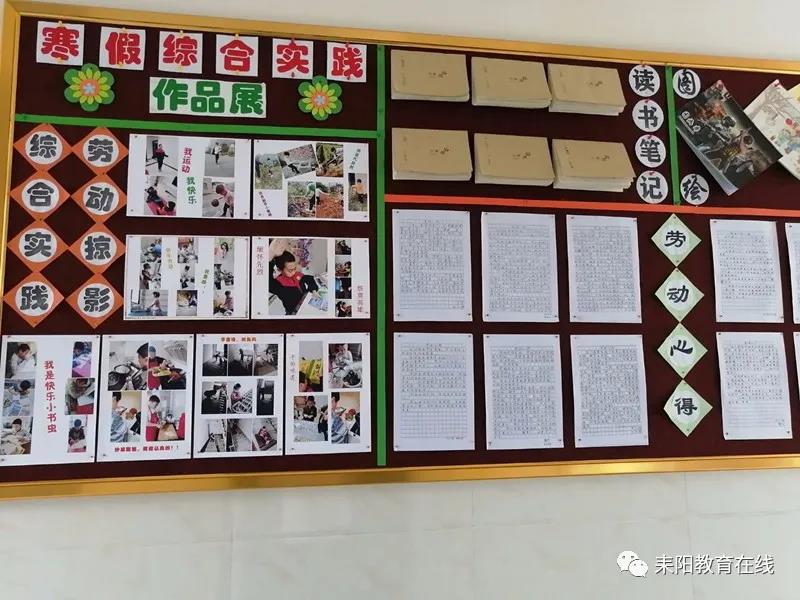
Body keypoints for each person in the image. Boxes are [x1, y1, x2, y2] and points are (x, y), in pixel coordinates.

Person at [269, 250, 319, 315]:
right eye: (290, 270)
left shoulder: (297, 274)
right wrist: (271, 259)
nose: (294, 272)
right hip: (293, 312)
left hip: (305, 304)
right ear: (280, 270)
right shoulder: (278, 284)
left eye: (295, 268)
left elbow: (309, 278)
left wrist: (313, 290)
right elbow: (268, 281)